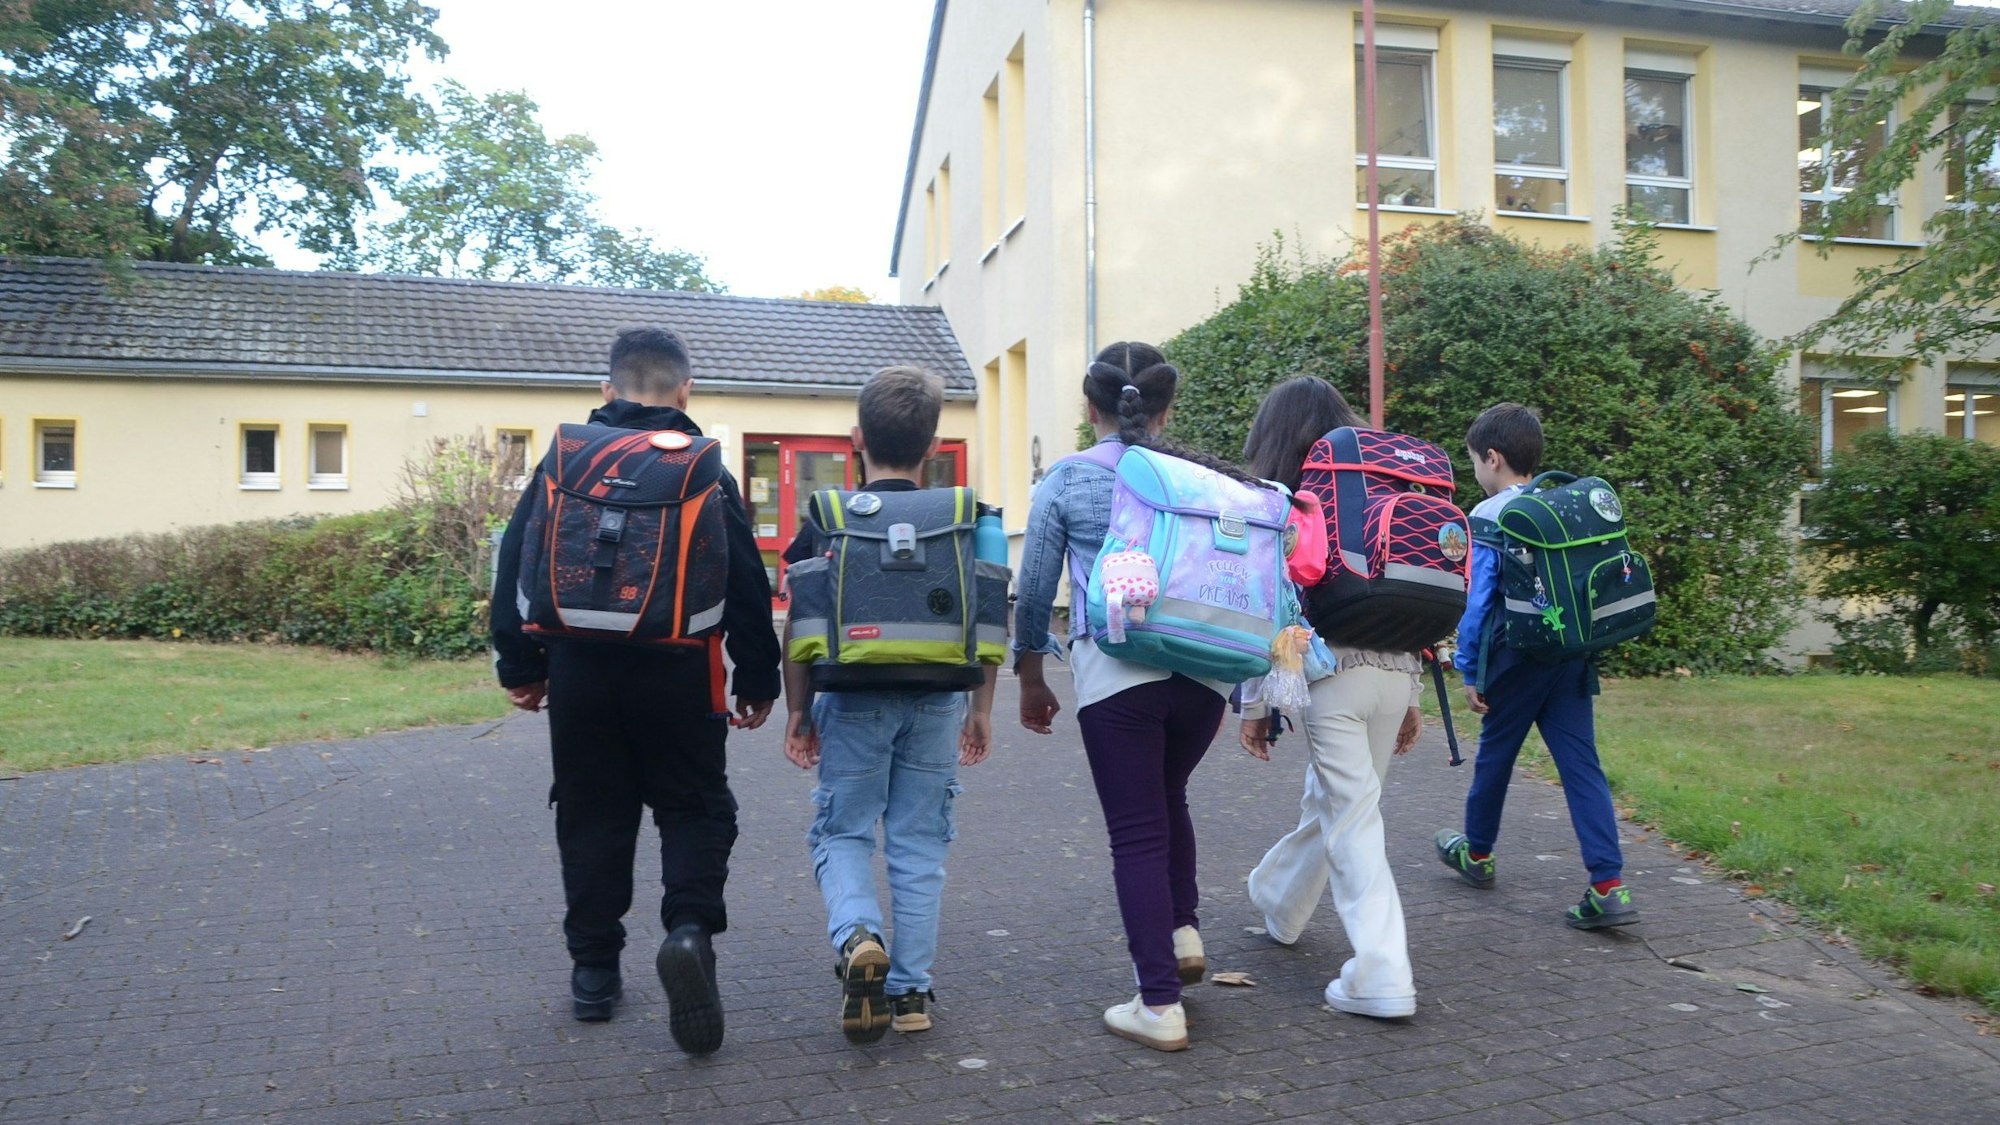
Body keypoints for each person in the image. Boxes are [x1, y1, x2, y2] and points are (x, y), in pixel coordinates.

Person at [491, 327, 781, 1053]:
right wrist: (757, 676)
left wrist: (519, 665)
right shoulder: (705, 470)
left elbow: (516, 559)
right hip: (681, 671)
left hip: (580, 671)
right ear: (686, 392)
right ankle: (688, 932)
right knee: (694, 806)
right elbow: (747, 579)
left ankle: (593, 972)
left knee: (592, 811)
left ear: (606, 389)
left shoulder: (563, 459)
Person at [1014, 341, 1274, 1052]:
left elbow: (1036, 588)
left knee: (1135, 829)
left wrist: (1031, 675)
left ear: (1087, 407)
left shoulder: (1066, 479)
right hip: (1204, 675)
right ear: (1168, 408)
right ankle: (1182, 929)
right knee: (1170, 801)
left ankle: (1158, 1002)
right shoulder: (1207, 478)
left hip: (1119, 677)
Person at [779, 366, 998, 1044]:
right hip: (937, 702)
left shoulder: (829, 517)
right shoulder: (967, 517)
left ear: (856, 440)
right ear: (933, 444)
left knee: (841, 832)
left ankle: (857, 936)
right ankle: (909, 994)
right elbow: (992, 616)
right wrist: (982, 709)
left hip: (852, 703)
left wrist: (797, 710)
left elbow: (800, 623)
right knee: (919, 844)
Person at [1235, 376, 1424, 1019]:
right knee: (1343, 799)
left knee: (1352, 817)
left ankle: (1382, 974)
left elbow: (1274, 611)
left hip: (1331, 674)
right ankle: (1281, 901)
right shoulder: (1385, 489)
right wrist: (1416, 695)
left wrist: (1257, 706)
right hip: (1397, 671)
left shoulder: (1285, 503)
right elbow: (1412, 593)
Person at [1435, 403, 1636, 930]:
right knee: (1581, 766)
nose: (1474, 471)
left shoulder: (1488, 516)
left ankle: (1477, 854)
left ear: (1493, 459)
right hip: (1571, 654)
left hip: (1515, 657)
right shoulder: (1559, 502)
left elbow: (1479, 602)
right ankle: (1608, 885)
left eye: (1475, 461)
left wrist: (1470, 669)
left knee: (1496, 756)